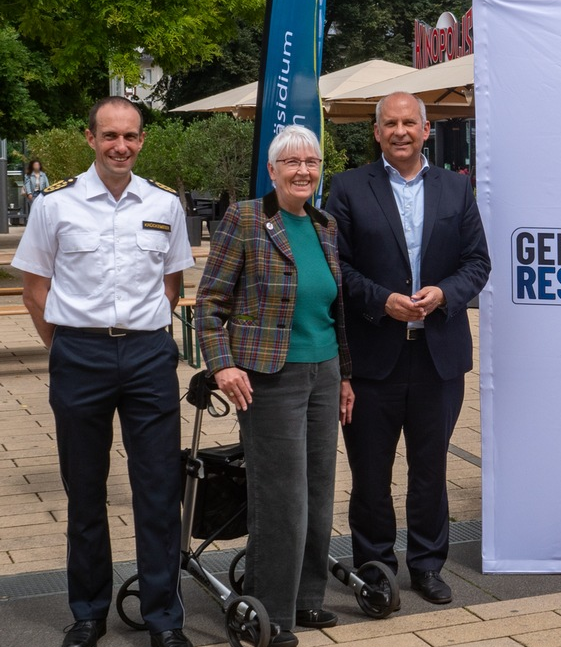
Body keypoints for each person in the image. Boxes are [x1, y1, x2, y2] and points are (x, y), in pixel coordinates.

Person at [12, 96, 194, 647]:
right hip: (80, 356)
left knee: (158, 490)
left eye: (130, 136)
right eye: (110, 135)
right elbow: (34, 290)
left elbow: (172, 284)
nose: (121, 146)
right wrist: (66, 346)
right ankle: (88, 612)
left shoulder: (165, 203)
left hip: (147, 357)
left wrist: (141, 336)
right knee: (85, 490)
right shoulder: (55, 204)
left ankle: (164, 619)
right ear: (91, 138)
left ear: (142, 141)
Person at [323, 91, 490, 605]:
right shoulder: (348, 188)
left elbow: (477, 263)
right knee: (371, 474)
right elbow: (335, 265)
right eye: (390, 124)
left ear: (425, 129)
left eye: (409, 123)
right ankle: (375, 568)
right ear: (376, 132)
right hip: (373, 356)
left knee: (431, 470)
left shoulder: (456, 189)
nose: (400, 131)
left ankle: (427, 565)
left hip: (438, 355)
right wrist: (381, 301)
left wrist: (444, 294)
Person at [196, 125, 354, 647]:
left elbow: (334, 310)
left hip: (323, 371)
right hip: (268, 377)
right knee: (281, 495)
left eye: (311, 162)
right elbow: (210, 304)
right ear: (272, 170)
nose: (303, 171)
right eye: (292, 162)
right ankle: (270, 611)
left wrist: (345, 375)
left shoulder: (325, 224)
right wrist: (222, 366)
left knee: (318, 491)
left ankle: (307, 598)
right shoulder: (245, 219)